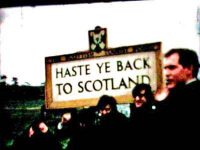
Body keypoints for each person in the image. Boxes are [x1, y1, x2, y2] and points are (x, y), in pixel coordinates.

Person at [155, 48, 200, 148]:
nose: (166, 73)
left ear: (189, 68)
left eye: (172, 67)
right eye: (165, 68)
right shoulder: (176, 94)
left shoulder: (187, 97)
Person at [129, 83, 157, 149]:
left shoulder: (153, 114)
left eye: (141, 95)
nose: (137, 98)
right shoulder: (133, 113)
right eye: (135, 95)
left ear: (148, 97)